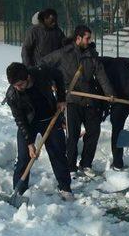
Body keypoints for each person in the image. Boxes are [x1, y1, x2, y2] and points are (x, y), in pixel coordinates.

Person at [40, 25, 115, 179]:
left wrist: (109, 94)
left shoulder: (91, 55)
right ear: (78, 38)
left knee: (93, 132)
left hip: (90, 98)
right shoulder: (63, 53)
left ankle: (86, 164)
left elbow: (101, 75)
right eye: (87, 38)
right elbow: (42, 65)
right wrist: (53, 83)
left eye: (90, 38)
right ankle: (70, 166)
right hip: (70, 99)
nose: (89, 41)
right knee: (72, 135)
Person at [4, 62, 74, 201]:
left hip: (50, 118)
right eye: (15, 85)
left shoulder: (41, 72)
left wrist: (60, 98)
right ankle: (19, 191)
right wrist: (30, 143)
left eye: (20, 84)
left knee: (58, 153)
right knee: (24, 157)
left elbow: (58, 75)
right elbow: (20, 120)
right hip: (28, 124)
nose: (18, 88)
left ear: (28, 77)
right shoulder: (12, 95)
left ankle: (65, 188)